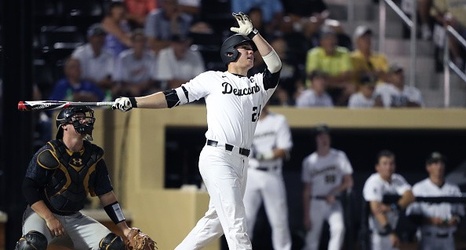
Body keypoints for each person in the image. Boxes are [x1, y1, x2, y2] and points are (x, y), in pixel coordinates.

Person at [112, 12, 282, 250]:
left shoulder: (258, 84)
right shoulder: (212, 78)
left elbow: (275, 65)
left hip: (242, 161)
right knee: (235, 222)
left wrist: (254, 34)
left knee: (216, 223)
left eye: (251, 48)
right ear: (230, 53)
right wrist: (134, 101)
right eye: (244, 48)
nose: (250, 51)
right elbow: (173, 97)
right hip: (218, 156)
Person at [15, 106, 132, 249]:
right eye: (77, 118)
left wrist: (125, 229)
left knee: (113, 246)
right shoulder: (49, 153)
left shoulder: (94, 156)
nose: (83, 121)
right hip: (43, 215)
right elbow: (28, 187)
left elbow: (107, 196)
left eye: (84, 118)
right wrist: (49, 217)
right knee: (30, 244)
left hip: (74, 216)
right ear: (64, 125)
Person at [243, 105, 293, 250]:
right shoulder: (246, 122)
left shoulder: (278, 120)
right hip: (251, 172)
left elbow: (283, 149)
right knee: (246, 219)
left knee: (279, 220)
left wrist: (263, 155)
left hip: (272, 173)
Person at [301, 124, 353, 250]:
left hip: (333, 201)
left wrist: (334, 192)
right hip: (316, 201)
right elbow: (306, 190)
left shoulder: (339, 156)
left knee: (339, 228)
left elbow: (349, 181)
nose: (324, 139)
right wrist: (306, 215)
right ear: (316, 139)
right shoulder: (309, 161)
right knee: (312, 239)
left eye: (326, 136)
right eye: (320, 136)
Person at [406, 152, 465, 250]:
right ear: (428, 167)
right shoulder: (419, 188)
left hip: (448, 239)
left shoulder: (453, 188)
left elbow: (460, 213)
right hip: (428, 238)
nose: (439, 166)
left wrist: (455, 220)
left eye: (441, 163)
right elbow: (411, 215)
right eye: (435, 163)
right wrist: (430, 220)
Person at [362, 150, 416, 250]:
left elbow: (410, 196)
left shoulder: (398, 179)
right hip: (376, 236)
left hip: (392, 233)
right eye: (385, 164)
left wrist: (392, 207)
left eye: (391, 163)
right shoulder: (373, 181)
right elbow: (376, 210)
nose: (388, 167)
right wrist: (390, 232)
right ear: (377, 167)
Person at [305, 25, 353, 106]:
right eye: (327, 38)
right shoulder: (313, 54)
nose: (330, 41)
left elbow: (346, 75)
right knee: (318, 83)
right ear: (321, 41)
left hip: (337, 87)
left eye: (333, 38)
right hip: (321, 86)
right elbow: (314, 76)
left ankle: (337, 109)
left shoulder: (344, 52)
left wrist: (326, 78)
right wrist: (337, 79)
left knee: (350, 88)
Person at [71, 23, 115, 95]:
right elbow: (72, 73)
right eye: (96, 36)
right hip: (82, 86)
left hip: (102, 88)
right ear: (90, 38)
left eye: (102, 36)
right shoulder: (80, 53)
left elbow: (110, 76)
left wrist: (99, 83)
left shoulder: (108, 55)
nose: (99, 39)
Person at [113, 29, 159, 96]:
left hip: (145, 88)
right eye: (137, 41)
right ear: (132, 43)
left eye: (142, 41)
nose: (140, 44)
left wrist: (140, 87)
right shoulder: (123, 58)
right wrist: (131, 87)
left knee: (158, 92)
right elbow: (120, 80)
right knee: (116, 90)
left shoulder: (151, 57)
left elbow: (153, 79)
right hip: (128, 89)